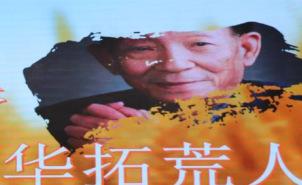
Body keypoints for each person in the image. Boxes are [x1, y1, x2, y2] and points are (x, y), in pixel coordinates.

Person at [65, 26, 262, 148]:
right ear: (109, 60)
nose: (173, 65)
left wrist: (155, 152)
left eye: (200, 44)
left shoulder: (281, 114)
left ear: (246, 50)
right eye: (142, 48)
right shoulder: (68, 125)